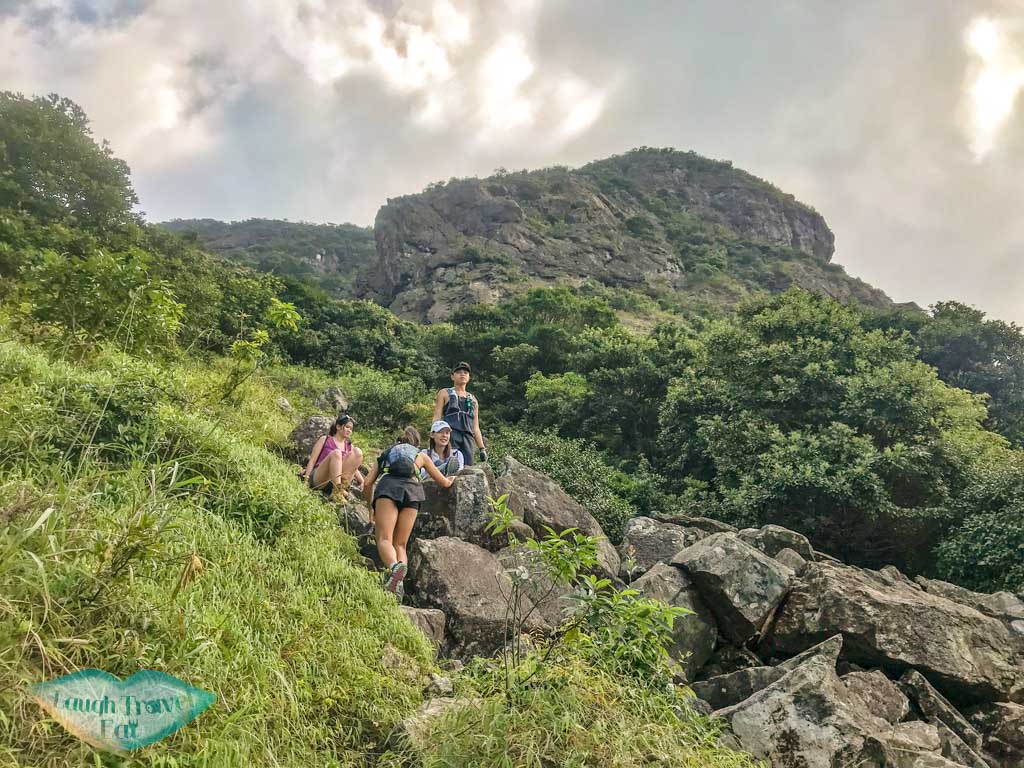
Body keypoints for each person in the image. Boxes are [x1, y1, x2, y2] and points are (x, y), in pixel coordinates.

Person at [362, 426, 454, 596]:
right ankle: (398, 585)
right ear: (416, 443)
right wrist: (452, 479)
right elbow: (444, 483)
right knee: (400, 544)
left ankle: (394, 568)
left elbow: (367, 483)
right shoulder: (421, 456)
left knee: (384, 539)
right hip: (413, 492)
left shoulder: (386, 454)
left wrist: (370, 508)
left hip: (388, 488)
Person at [432, 361, 486, 467]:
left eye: (465, 373)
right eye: (459, 372)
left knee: (468, 468)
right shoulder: (444, 393)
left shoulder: (473, 400)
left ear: (469, 377)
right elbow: (437, 416)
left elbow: (475, 428)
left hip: (468, 439)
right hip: (450, 435)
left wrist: (482, 448)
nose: (462, 374)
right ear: (452, 376)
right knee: (449, 465)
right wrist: (434, 434)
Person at [301, 414, 364, 502]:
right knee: (337, 453)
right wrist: (306, 480)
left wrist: (362, 481)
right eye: (347, 427)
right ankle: (337, 492)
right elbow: (312, 460)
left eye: (351, 429)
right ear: (338, 426)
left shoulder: (349, 446)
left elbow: (353, 467)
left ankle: (338, 489)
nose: (349, 430)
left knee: (358, 452)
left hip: (336, 480)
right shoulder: (325, 439)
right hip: (320, 478)